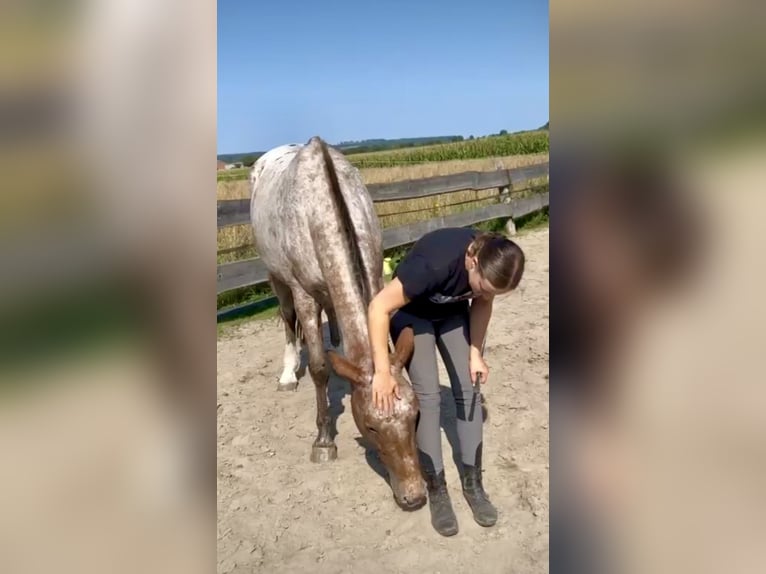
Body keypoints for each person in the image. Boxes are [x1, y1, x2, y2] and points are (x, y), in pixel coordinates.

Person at [367, 227, 525, 536]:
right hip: (413, 315)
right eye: (484, 286)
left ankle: (473, 484)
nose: (487, 294)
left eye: (495, 292)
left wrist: (475, 353)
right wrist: (383, 372)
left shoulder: (490, 268)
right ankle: (437, 488)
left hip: (451, 313)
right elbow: (378, 308)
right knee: (428, 397)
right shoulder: (433, 265)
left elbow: (482, 303)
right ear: (471, 260)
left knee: (469, 390)